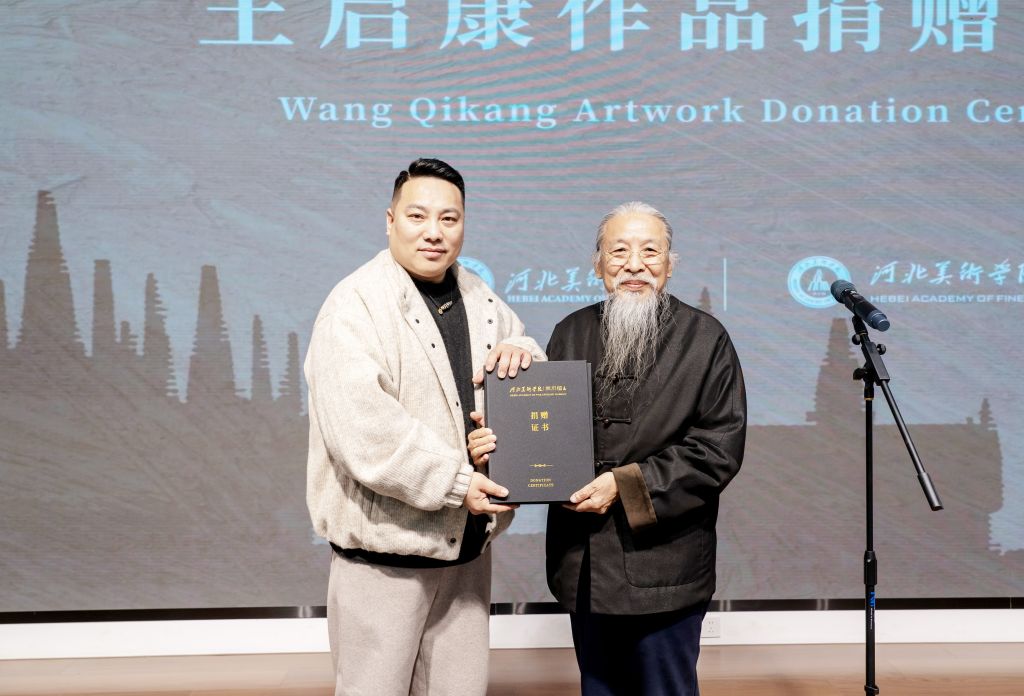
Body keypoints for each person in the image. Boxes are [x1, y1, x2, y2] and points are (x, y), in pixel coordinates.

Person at [305, 158, 544, 696]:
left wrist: (523, 351)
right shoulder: (354, 306)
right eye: (417, 216)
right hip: (384, 561)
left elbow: (524, 359)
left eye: (449, 218)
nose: (434, 232)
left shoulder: (480, 297)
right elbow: (365, 434)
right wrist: (458, 483)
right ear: (390, 220)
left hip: (467, 553)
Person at [546, 201, 746, 695]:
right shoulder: (570, 332)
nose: (634, 265)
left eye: (650, 252)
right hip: (586, 566)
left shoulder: (705, 339)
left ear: (669, 265)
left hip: (666, 568)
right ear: (598, 264)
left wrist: (625, 485)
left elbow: (717, 448)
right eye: (619, 251)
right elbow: (545, 431)